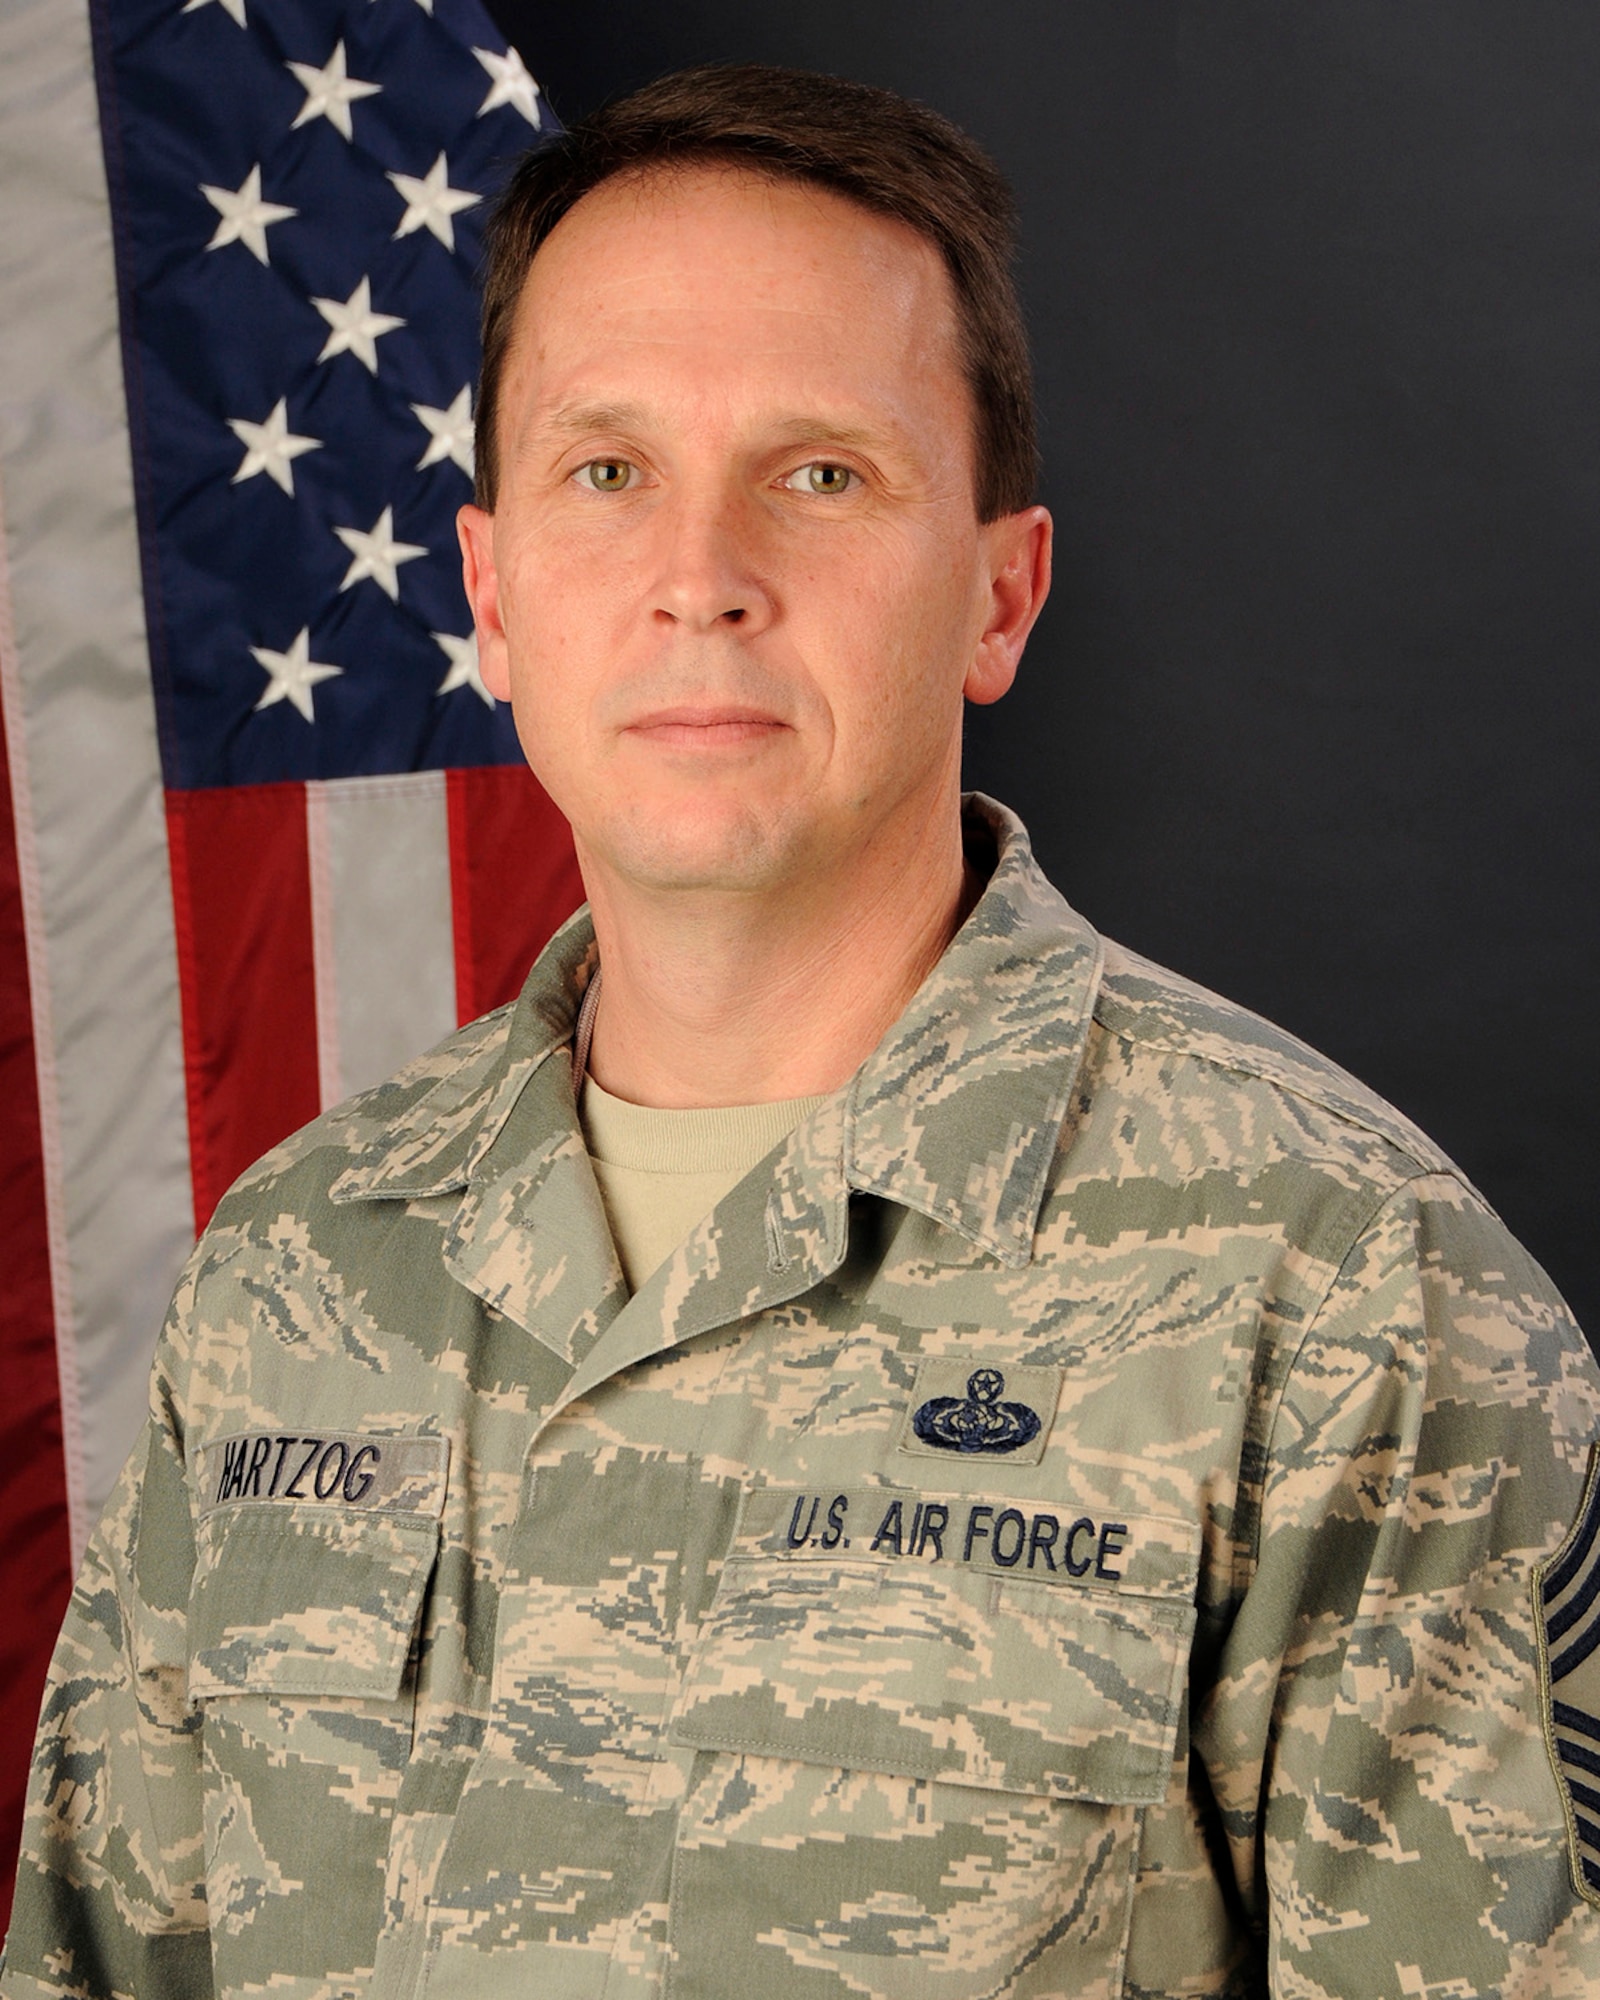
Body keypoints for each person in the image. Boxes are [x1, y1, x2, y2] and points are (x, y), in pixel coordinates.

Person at [4, 61, 1599, 2000]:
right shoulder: (292, 1267)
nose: (700, 578)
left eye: (818, 471)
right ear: (490, 597)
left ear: (997, 594)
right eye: (607, 471)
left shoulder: (1337, 1288)